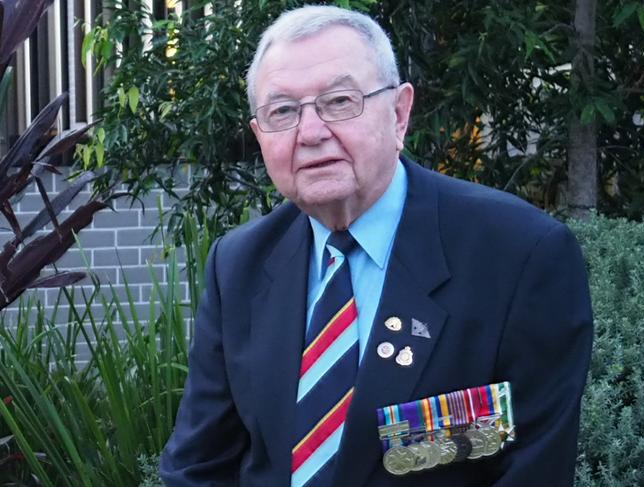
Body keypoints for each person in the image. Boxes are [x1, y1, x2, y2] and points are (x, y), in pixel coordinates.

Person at [160, 5, 593, 487]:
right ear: (260, 136)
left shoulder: (518, 256)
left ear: (400, 113)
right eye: (282, 111)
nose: (310, 133)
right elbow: (198, 467)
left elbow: (531, 467)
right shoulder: (238, 265)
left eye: (340, 101)